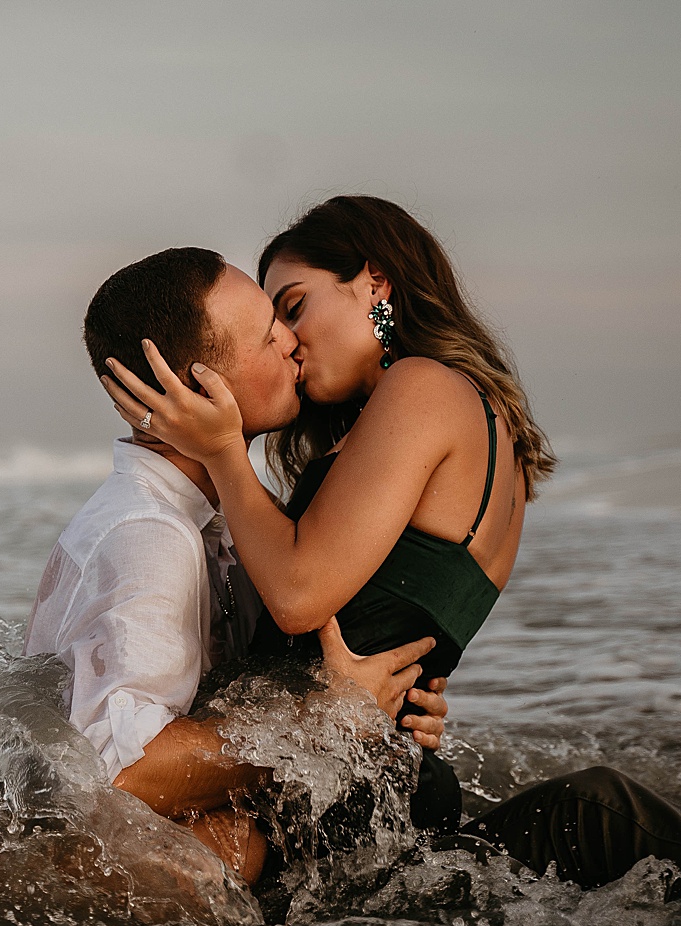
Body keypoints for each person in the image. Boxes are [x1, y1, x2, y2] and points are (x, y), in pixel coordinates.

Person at [100, 197, 681, 900]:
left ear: (375, 284)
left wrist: (227, 452)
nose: (288, 341)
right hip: (362, 784)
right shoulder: (444, 414)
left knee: (599, 820)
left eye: (294, 309)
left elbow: (299, 596)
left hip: (339, 807)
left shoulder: (423, 386)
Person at [24, 247, 451, 885]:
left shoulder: (222, 516)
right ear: (196, 389)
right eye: (265, 334)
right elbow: (122, 772)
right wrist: (323, 724)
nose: (290, 340)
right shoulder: (149, 534)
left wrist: (387, 709)